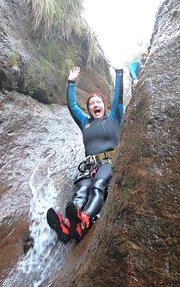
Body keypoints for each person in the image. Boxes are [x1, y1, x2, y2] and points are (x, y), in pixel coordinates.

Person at [46, 65, 124, 243]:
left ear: (104, 106)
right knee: (80, 191)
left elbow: (118, 97)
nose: (95, 105)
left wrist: (119, 73)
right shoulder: (84, 122)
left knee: (98, 186)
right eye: (91, 103)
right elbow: (72, 106)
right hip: (89, 165)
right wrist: (71, 82)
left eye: (98, 102)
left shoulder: (114, 118)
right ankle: (67, 226)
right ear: (88, 109)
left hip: (109, 162)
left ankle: (85, 219)